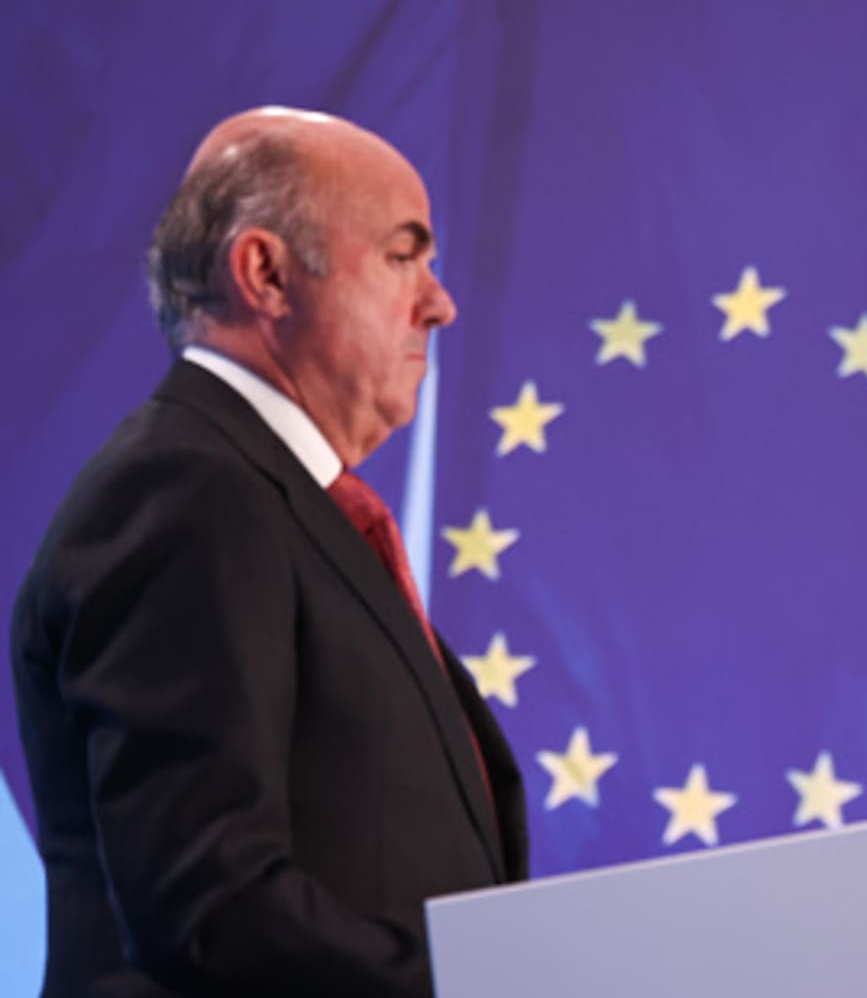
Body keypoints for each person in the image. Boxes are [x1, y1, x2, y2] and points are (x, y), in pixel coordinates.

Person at [10, 107, 528, 996]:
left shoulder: (265, 497)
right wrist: (488, 979)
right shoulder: (185, 493)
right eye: (405, 255)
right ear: (266, 274)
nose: (438, 302)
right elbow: (210, 905)